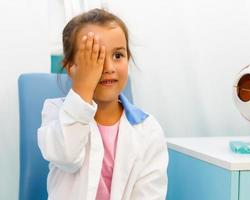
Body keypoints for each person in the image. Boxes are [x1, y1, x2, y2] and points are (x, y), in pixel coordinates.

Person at [37, 8, 168, 200]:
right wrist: (83, 88)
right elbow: (66, 156)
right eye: (94, 58)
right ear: (71, 68)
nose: (108, 68)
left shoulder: (149, 130)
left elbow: (149, 194)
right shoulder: (55, 113)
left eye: (118, 56)